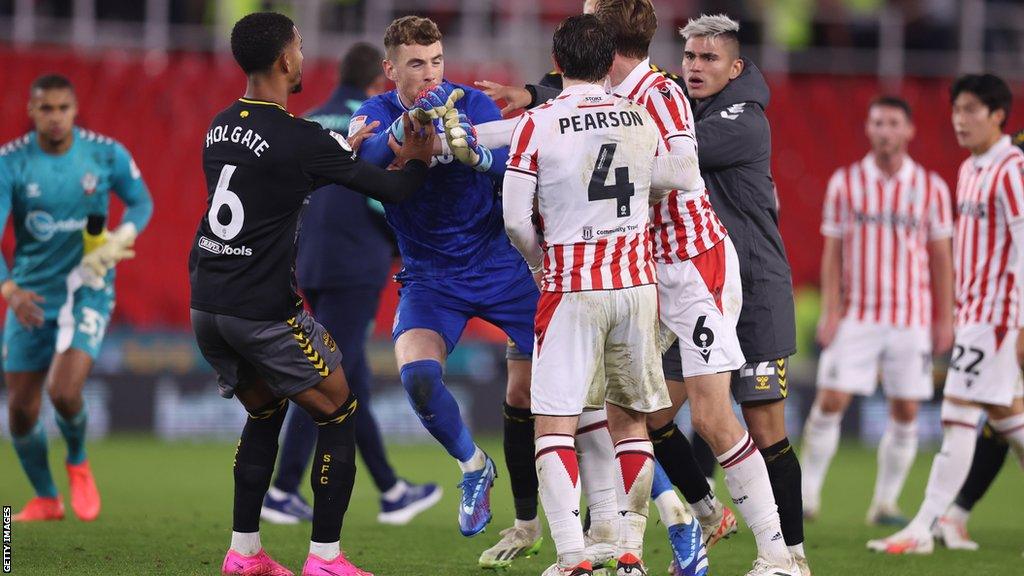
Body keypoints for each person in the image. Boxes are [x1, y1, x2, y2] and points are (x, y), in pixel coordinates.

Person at [188, 12, 432, 576]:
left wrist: (341, 147)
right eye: (298, 47)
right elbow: (392, 190)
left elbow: (271, 180)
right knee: (339, 409)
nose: (303, 56)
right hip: (262, 308)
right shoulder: (299, 138)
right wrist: (419, 160)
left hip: (206, 302)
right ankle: (325, 560)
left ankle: (243, 554)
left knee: (267, 410)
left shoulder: (220, 125)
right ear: (283, 62)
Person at [502, 14, 705, 576]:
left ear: (559, 63)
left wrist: (541, 264)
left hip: (572, 288)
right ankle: (629, 554)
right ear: (607, 58)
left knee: (554, 424)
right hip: (637, 288)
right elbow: (671, 177)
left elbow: (516, 222)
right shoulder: (642, 118)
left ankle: (572, 557)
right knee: (632, 421)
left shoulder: (538, 123)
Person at [351, 16, 544, 563]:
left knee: (566, 390)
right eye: (416, 64)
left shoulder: (471, 103)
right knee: (416, 374)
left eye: (436, 60)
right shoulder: (376, 113)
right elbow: (361, 162)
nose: (430, 72)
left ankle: (651, 507)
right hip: (430, 277)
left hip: (500, 266)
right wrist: (405, 130)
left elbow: (518, 163)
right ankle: (472, 466)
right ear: (391, 70)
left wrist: (478, 155)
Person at [260, 41, 441, 528]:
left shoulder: (313, 120)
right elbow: (374, 200)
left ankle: (391, 489)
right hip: (354, 265)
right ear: (378, 81)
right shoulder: (373, 120)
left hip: (311, 263)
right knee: (326, 377)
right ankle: (281, 488)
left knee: (350, 378)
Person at [868, 73, 1024, 555]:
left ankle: (922, 528)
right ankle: (938, 523)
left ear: (999, 116)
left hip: (998, 316)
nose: (960, 119)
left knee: (958, 415)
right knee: (1006, 417)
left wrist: (1018, 323)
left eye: (972, 109)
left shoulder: (1010, 168)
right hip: (975, 313)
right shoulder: (970, 168)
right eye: (957, 109)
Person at [2, 74, 152, 523]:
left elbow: (141, 203)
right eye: (45, 108)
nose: (54, 117)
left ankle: (78, 461)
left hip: (89, 286)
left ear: (74, 109)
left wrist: (119, 236)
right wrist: (9, 290)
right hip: (31, 294)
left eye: (63, 108)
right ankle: (47, 498)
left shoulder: (105, 153)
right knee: (21, 411)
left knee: (64, 392)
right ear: (31, 110)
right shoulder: (11, 162)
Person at [801, 96, 955, 525]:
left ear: (909, 131)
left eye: (892, 123)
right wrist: (831, 311)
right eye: (877, 123)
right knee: (831, 399)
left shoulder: (931, 188)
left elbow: (942, 257)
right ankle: (807, 495)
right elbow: (833, 253)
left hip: (911, 317)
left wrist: (946, 319)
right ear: (868, 130)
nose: (884, 130)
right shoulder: (845, 183)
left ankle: (885, 503)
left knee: (906, 409)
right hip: (858, 315)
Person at [933, 127, 1024, 551]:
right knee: (1000, 406)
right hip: (1006, 307)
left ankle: (954, 514)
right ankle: (953, 514)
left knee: (1001, 409)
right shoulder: (1011, 160)